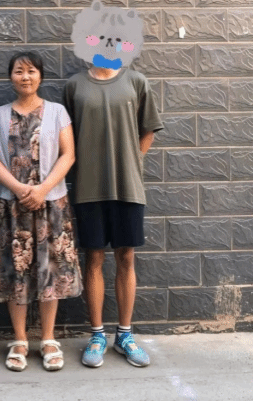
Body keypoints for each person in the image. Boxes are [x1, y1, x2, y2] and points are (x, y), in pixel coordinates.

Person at [0, 52, 83, 373]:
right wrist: (18, 187)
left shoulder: (57, 112)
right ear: (10, 77)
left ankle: (49, 339)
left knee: (49, 269)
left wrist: (42, 189)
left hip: (51, 204)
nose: (25, 77)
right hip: (10, 206)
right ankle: (19, 340)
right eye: (18, 71)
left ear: (40, 75)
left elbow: (68, 155)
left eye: (31, 71)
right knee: (16, 271)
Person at [64, 63, 163, 368]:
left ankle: (124, 335)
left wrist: (133, 161)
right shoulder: (74, 86)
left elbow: (148, 130)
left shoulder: (137, 81)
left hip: (127, 187)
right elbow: (66, 136)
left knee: (126, 257)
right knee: (93, 258)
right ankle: (96, 336)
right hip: (88, 187)